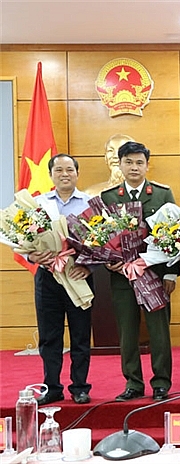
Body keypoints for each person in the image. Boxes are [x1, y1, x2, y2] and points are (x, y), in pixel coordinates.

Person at [101, 141, 177, 402]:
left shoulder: (162, 194)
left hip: (155, 274)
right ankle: (133, 383)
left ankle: (161, 383)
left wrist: (171, 273)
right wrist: (108, 260)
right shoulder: (109, 197)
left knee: (159, 331)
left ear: (147, 165)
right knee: (127, 331)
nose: (134, 167)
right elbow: (100, 236)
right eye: (129, 162)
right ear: (120, 165)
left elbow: (175, 234)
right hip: (123, 275)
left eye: (139, 162)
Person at [28, 154, 93, 405]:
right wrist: (32, 254)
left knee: (80, 335)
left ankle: (80, 387)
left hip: (78, 275)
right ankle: (52, 387)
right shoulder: (38, 204)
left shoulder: (89, 203)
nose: (64, 174)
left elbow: (102, 241)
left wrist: (89, 267)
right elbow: (23, 239)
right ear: (51, 175)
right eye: (59, 170)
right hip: (48, 276)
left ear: (77, 173)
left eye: (69, 170)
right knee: (49, 336)